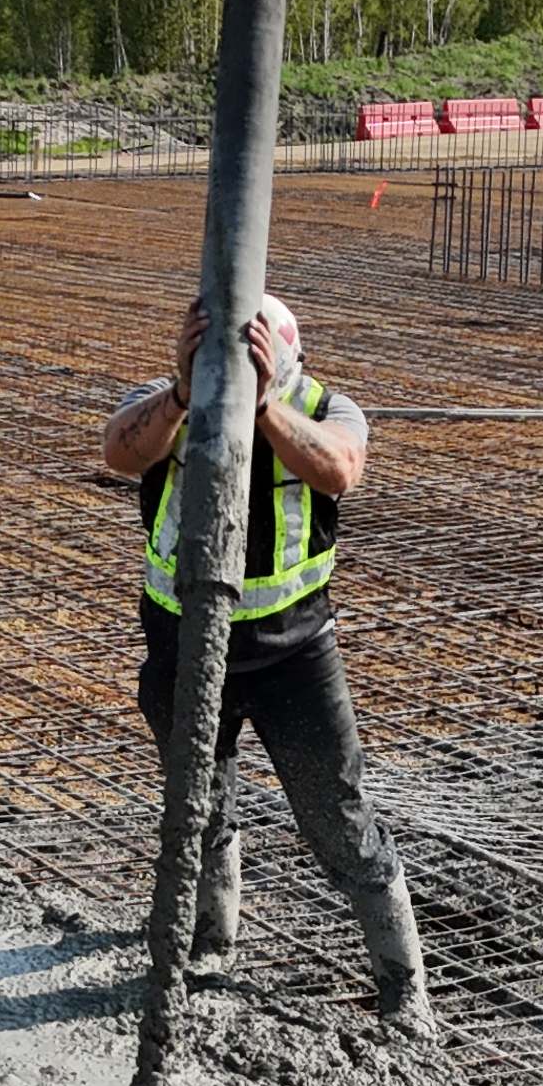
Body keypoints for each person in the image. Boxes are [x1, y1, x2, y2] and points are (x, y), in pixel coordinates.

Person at [101, 291, 435, 1034]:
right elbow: (118, 451)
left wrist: (263, 409)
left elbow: (340, 470)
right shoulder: (167, 403)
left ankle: (402, 982)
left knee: (336, 813)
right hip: (184, 643)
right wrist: (189, 394)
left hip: (294, 652)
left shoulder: (328, 408)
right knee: (198, 806)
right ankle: (212, 945)